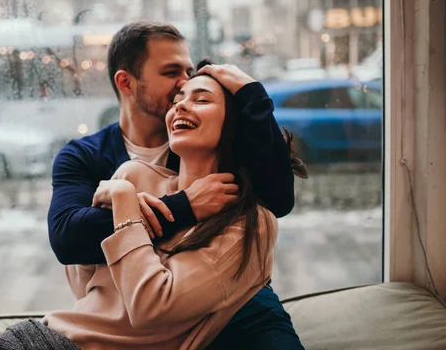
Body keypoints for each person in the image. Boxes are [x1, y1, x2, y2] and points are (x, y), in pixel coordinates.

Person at [0, 63, 308, 350]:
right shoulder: (131, 172)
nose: (180, 103)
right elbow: (89, 290)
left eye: (200, 99)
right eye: (177, 94)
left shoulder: (248, 223)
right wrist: (122, 210)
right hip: (52, 338)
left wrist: (125, 203)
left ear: (233, 127)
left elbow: (149, 309)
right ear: (126, 81)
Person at [47, 22, 303, 348]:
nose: (183, 82)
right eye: (171, 73)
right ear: (127, 82)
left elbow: (275, 201)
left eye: (188, 70)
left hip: (232, 301)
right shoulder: (86, 156)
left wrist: (251, 93)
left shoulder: (198, 141)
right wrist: (184, 206)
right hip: (132, 310)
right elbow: (69, 239)